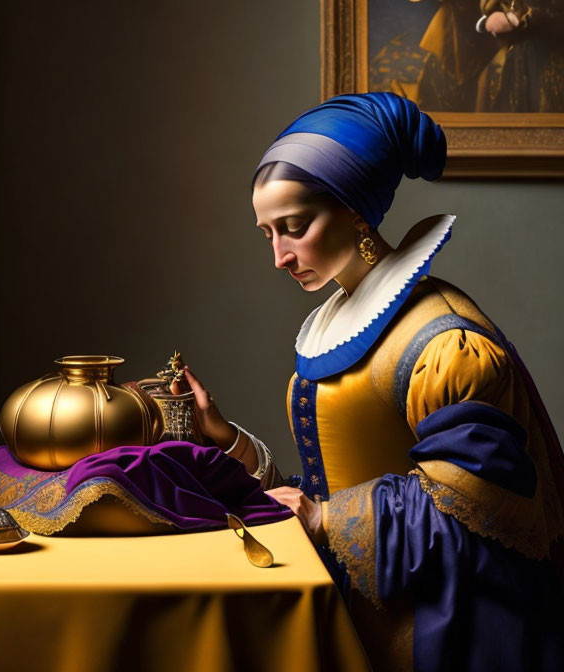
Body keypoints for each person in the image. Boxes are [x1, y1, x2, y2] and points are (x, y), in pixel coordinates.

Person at [183, 92, 564, 671]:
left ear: (356, 210)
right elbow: (335, 477)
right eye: (268, 234)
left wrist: (324, 520)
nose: (280, 256)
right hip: (358, 610)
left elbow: (482, 518)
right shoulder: (345, 313)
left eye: (294, 227)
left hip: (445, 632)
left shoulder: (444, 344)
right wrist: (227, 440)